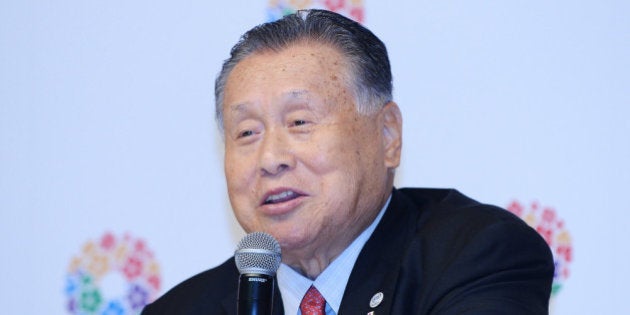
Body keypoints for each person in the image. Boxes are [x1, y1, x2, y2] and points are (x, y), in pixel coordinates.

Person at [142, 9, 554, 315]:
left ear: (388, 135)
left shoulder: (476, 256)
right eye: (247, 132)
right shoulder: (180, 310)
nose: (270, 159)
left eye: (300, 121)